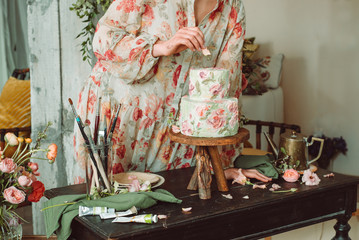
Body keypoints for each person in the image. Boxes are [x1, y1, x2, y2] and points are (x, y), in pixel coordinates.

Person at [74, 0, 271, 184]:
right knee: (102, 204)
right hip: (116, 120)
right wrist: (162, 47)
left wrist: (221, 166)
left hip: (173, 135)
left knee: (166, 207)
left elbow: (227, 86)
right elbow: (103, 40)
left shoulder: (232, 8)